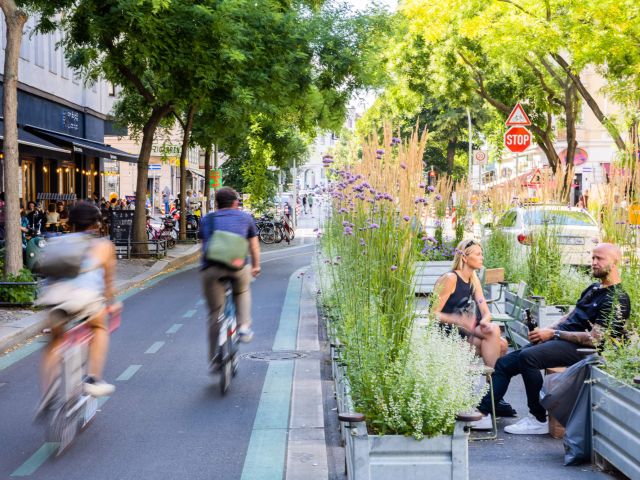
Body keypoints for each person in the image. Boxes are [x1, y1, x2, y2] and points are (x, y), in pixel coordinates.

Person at [471, 243, 631, 434]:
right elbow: (570, 316)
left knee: (528, 357)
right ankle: (484, 412)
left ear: (615, 262)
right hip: (562, 340)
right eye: (593, 258)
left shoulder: (617, 298)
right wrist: (545, 331)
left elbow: (595, 338)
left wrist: (554, 334)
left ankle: (538, 418)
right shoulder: (594, 288)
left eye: (599, 259)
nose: (594, 263)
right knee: (504, 364)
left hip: (584, 350)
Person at [37, 202, 120, 401]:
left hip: (54, 298)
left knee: (54, 342)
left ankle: (48, 393)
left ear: (70, 223)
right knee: (100, 326)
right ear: (96, 224)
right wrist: (113, 303)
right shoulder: (104, 246)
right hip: (84, 298)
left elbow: (46, 274)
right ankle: (93, 379)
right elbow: (108, 282)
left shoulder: (55, 242)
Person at [199, 187, 261, 371]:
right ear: (236, 203)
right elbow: (254, 247)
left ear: (216, 204)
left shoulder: (207, 219)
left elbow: (204, 246)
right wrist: (256, 266)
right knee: (242, 290)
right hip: (237, 267)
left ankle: (214, 359)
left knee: (214, 314)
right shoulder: (245, 218)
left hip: (211, 269)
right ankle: (243, 326)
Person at [432, 239, 507, 369]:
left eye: (481, 254)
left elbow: (485, 311)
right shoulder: (451, 278)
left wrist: (485, 320)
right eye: (478, 254)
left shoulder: (473, 279)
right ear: (465, 258)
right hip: (448, 335)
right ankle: (493, 381)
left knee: (500, 339)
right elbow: (432, 314)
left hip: (465, 331)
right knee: (499, 343)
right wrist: (457, 320)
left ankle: (493, 381)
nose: (482, 257)